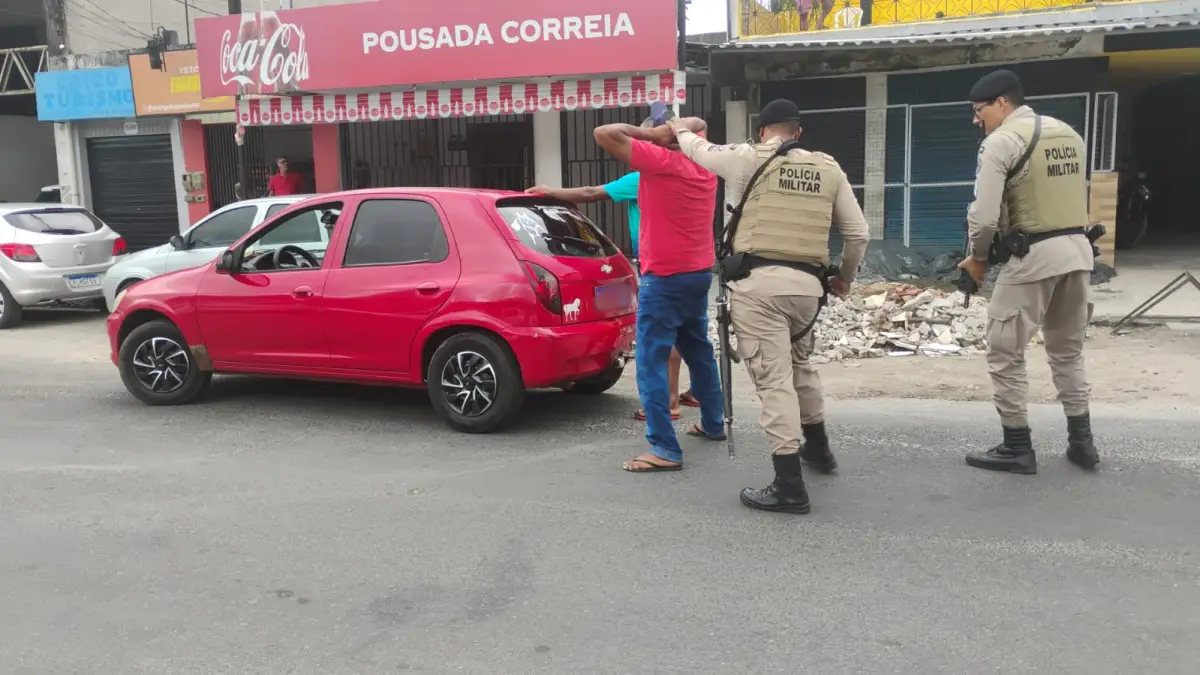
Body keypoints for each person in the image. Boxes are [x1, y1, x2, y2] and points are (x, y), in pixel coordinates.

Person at [667, 99, 869, 514]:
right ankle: (819, 451)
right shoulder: (829, 168)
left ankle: (789, 486)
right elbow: (858, 233)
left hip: (759, 291)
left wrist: (679, 126)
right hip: (807, 291)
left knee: (774, 382)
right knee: (801, 368)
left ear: (762, 132)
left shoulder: (745, 158)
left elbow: (696, 149)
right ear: (799, 132)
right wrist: (844, 278)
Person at [957, 69, 1098, 475]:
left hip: (1033, 257)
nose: (975, 119)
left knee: (1005, 351)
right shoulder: (1070, 134)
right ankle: (1082, 442)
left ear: (1002, 103)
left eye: (978, 109)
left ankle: (1017, 446)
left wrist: (979, 258)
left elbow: (983, 218)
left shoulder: (1000, 142)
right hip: (1077, 254)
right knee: (1067, 351)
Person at [525, 139, 702, 421]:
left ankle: (668, 401)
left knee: (660, 338)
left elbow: (592, 192)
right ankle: (699, 393)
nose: (630, 152)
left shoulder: (645, 178)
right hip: (693, 265)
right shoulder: (693, 172)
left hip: (658, 265)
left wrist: (551, 191)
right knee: (691, 333)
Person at [589, 116, 724, 473]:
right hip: (697, 274)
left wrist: (652, 135)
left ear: (669, 139)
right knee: (698, 349)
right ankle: (713, 422)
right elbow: (699, 125)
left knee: (650, 360)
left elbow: (603, 133)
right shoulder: (706, 168)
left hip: (664, 278)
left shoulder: (662, 161)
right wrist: (677, 132)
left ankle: (664, 448)